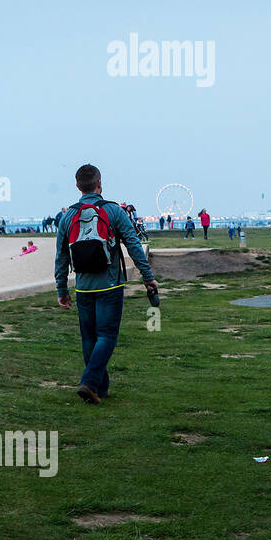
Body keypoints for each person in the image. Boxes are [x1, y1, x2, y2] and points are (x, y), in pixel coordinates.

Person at [54, 164, 157, 405]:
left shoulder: (68, 216)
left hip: (83, 286)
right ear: (100, 183)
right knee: (107, 335)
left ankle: (101, 387)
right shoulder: (113, 211)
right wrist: (147, 276)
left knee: (89, 338)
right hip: (110, 284)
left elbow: (60, 256)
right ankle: (90, 382)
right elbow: (133, 245)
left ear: (78, 186)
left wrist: (61, 288)